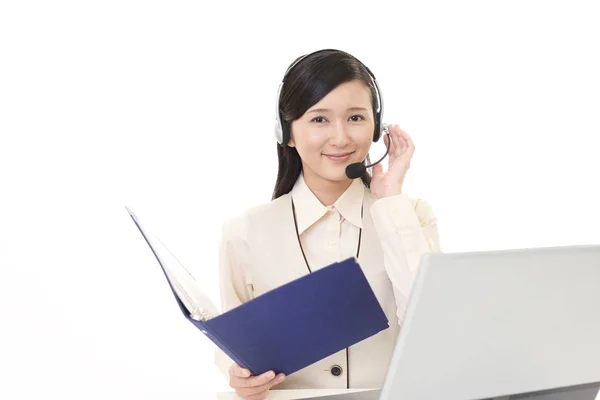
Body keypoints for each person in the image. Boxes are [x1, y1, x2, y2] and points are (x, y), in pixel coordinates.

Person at [214, 48, 441, 400]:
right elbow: (231, 343)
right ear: (287, 132)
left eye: (355, 118)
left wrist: (391, 200)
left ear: (377, 127)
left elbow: (432, 326)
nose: (341, 138)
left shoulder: (409, 216)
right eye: (319, 119)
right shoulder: (245, 232)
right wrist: (236, 372)